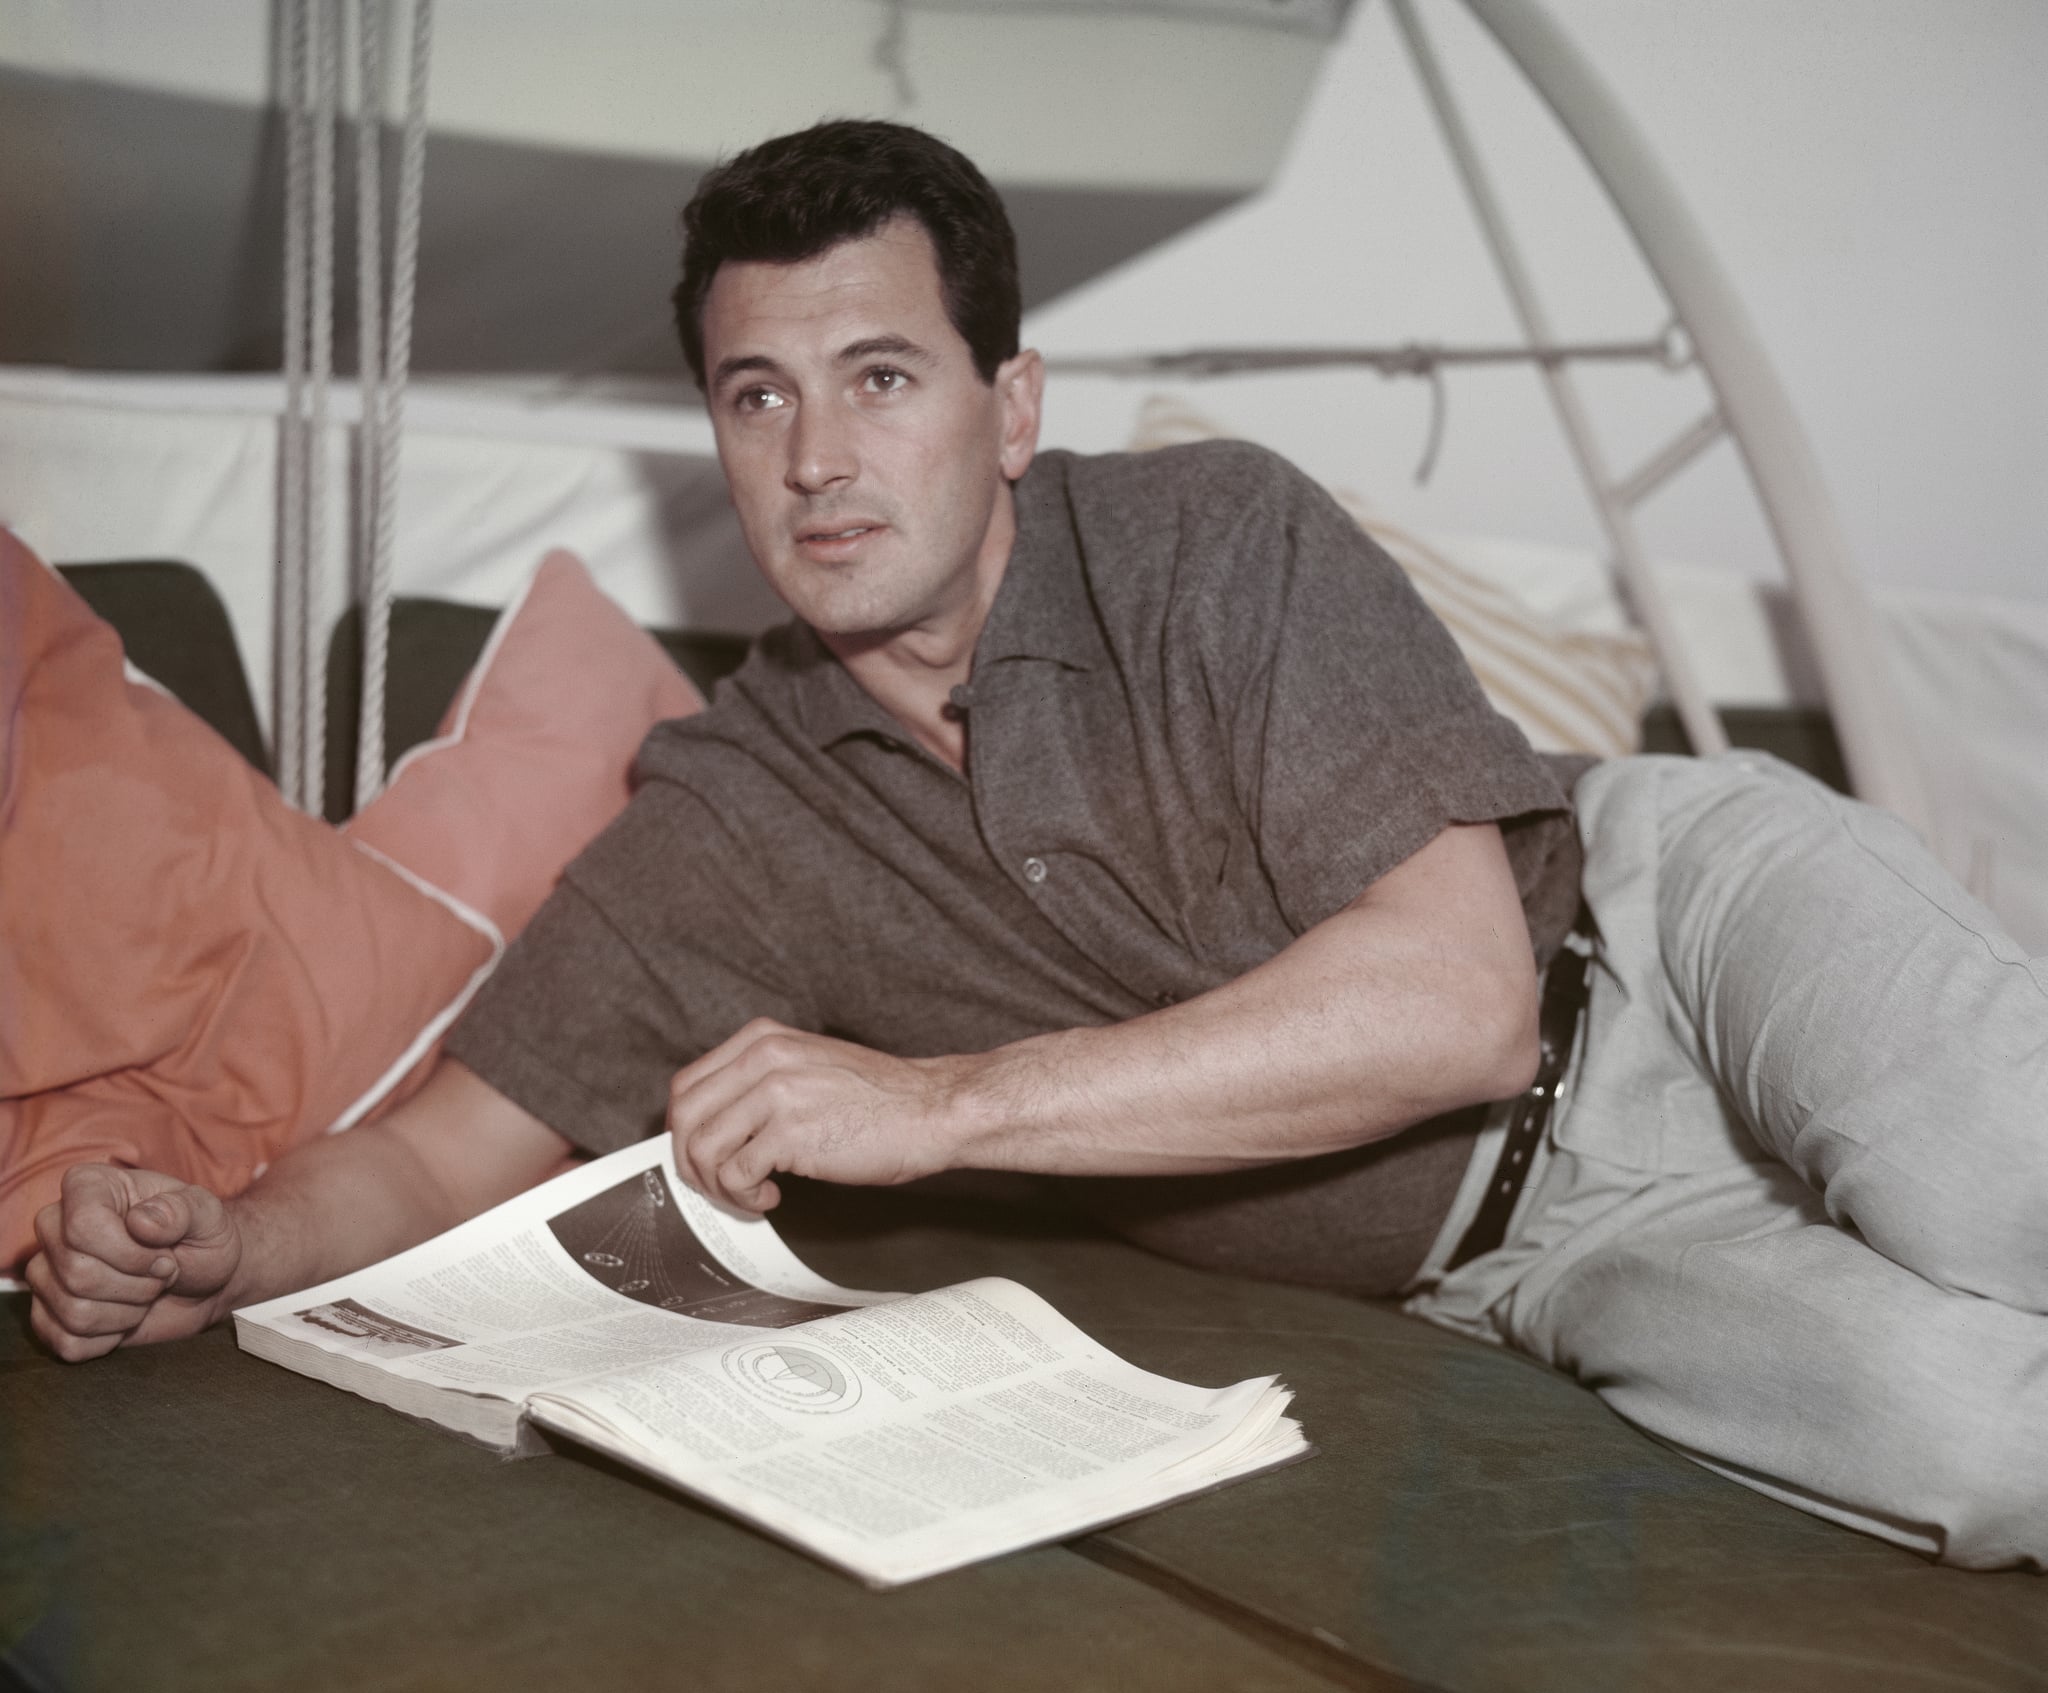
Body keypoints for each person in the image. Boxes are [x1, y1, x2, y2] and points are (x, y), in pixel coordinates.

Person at [27, 121, 2046, 1570]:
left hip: (1662, 933)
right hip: (1526, 1263)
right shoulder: (725, 814)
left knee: (2000, 1173)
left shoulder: (1206, 533)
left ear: (1009, 407)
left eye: (879, 378)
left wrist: (941, 1103)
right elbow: (438, 1151)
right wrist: (227, 1241)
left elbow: (1458, 1008)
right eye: (757, 397)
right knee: (1974, 1440)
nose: (814, 459)